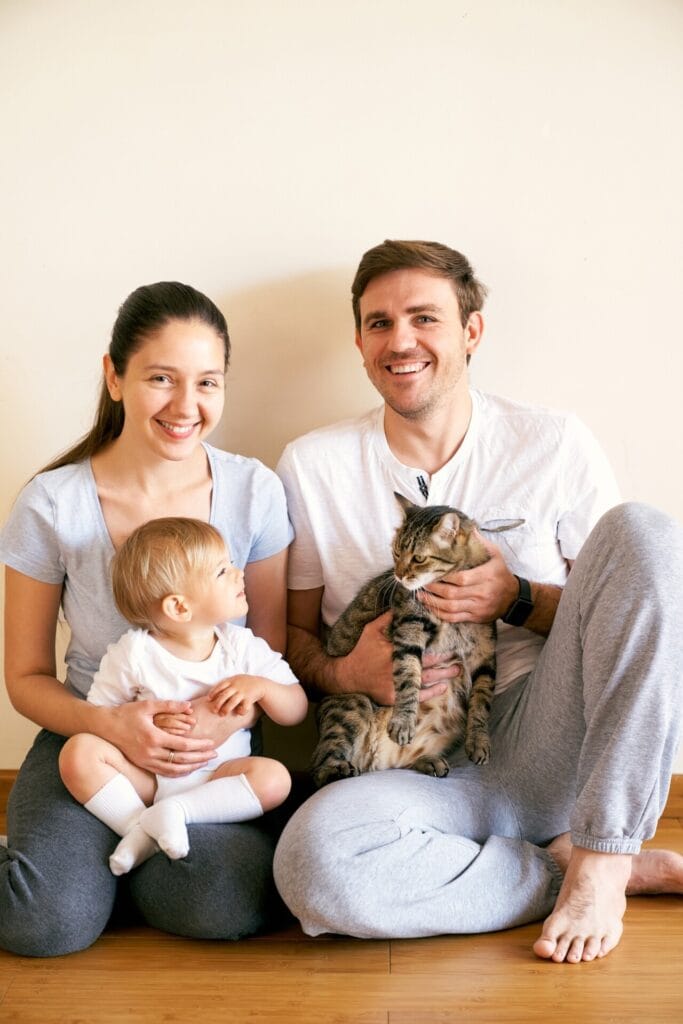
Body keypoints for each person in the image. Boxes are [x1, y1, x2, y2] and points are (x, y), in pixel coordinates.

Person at [272, 239, 683, 965]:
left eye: (423, 318)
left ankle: (602, 855)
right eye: (377, 323)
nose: (399, 341)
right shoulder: (313, 465)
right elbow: (289, 640)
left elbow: (625, 613)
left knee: (646, 534)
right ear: (360, 341)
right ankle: (561, 865)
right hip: (410, 769)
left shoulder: (551, 441)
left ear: (471, 331)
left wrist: (517, 598)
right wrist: (347, 672)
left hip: (540, 737)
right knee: (311, 867)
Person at [0, 281, 294, 956]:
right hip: (90, 744)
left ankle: (107, 862)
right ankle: (80, 873)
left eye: (207, 383)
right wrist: (107, 724)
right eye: (160, 378)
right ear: (114, 375)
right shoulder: (53, 504)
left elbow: (266, 649)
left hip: (209, 756)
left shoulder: (253, 491)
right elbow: (25, 677)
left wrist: (216, 725)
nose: (185, 407)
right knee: (45, 924)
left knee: (228, 902)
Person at [59, 516, 307, 876]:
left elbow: (295, 709)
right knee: (78, 752)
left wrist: (262, 689)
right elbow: (102, 718)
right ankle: (138, 826)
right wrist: (141, 723)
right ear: (179, 607)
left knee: (275, 779)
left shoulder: (241, 649)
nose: (239, 574)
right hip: (149, 778)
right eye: (223, 571)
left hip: (219, 778)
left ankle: (171, 816)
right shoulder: (134, 654)